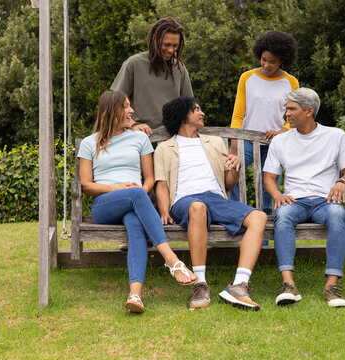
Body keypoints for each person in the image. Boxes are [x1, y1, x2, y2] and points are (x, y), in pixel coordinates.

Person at [77, 91, 197, 314]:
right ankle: (171, 259)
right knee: (136, 195)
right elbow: (86, 185)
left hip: (134, 200)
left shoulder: (139, 138)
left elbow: (149, 179)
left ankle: (135, 294)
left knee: (135, 221)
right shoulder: (89, 143)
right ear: (111, 111)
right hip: (104, 205)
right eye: (126, 106)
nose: (131, 111)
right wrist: (119, 188)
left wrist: (138, 192)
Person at [154, 96, 268, 311]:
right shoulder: (165, 148)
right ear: (182, 115)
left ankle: (239, 285)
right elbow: (161, 184)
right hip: (184, 201)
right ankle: (200, 284)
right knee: (198, 207)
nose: (202, 113)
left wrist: (234, 168)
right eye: (196, 109)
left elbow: (228, 184)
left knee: (259, 217)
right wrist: (163, 211)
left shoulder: (214, 142)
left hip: (215, 198)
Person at [263, 88, 345, 308]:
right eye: (286, 108)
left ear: (309, 111)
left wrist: (341, 182)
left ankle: (331, 286)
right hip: (294, 201)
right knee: (283, 216)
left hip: (325, 201)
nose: (287, 113)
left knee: (337, 215)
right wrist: (277, 195)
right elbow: (269, 178)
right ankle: (288, 285)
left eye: (291, 109)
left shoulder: (335, 136)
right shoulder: (281, 141)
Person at [229, 30, 299, 218]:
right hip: (246, 141)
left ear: (283, 60)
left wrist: (283, 131)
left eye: (272, 62)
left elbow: (293, 117)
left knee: (268, 191)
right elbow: (238, 115)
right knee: (231, 177)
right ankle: (236, 220)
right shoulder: (247, 78)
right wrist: (235, 142)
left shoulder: (291, 82)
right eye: (263, 59)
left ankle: (266, 241)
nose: (266, 65)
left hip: (274, 143)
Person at [111, 17, 194, 135]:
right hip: (139, 137)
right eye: (167, 44)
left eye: (175, 46)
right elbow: (113, 104)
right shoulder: (134, 64)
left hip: (172, 139)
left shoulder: (179, 67)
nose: (171, 50)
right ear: (155, 40)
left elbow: (190, 107)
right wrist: (132, 124)